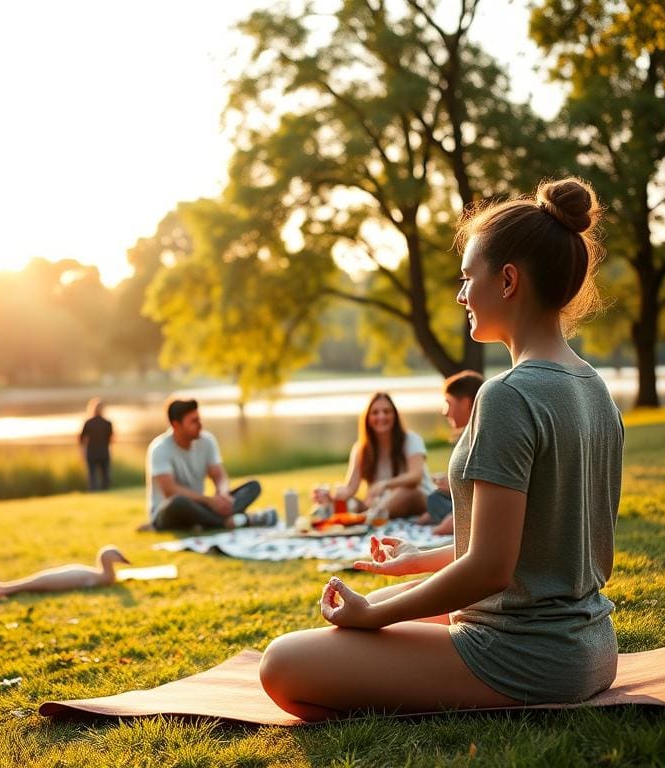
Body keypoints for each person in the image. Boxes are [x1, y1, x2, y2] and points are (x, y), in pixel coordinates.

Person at [259, 177, 623, 720]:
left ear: (507, 280)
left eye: (466, 278)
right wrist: (415, 564)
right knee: (353, 614)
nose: (460, 296)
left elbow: (489, 571)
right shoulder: (595, 389)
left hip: (524, 654)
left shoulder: (508, 395)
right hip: (592, 647)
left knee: (282, 663)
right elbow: (536, 547)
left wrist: (375, 622)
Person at [313, 392, 446, 524]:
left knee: (407, 491)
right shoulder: (361, 449)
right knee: (350, 502)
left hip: (419, 499)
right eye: (375, 412)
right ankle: (364, 517)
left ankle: (365, 518)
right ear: (368, 418)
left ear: (395, 415)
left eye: (386, 411)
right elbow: (349, 489)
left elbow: (415, 477)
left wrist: (385, 484)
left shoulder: (411, 439)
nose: (381, 416)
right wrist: (330, 495)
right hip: (380, 506)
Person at [146, 398, 276, 530]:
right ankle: (230, 522)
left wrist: (222, 495)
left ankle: (211, 521)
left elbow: (219, 475)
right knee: (178, 502)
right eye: (194, 421)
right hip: (169, 512)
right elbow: (170, 491)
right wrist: (209, 501)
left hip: (200, 507)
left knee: (253, 486)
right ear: (176, 425)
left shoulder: (207, 441)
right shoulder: (160, 449)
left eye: (199, 419)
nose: (200, 425)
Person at [427, 370, 485, 536]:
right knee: (434, 499)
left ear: (466, 403)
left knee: (436, 503)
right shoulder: (468, 437)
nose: (445, 411)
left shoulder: (482, 438)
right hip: (461, 503)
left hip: (477, 509)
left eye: (448, 403)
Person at [0, 546, 130, 598]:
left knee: (33, 583)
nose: (120, 558)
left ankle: (1, 588)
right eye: (118, 555)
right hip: (67, 577)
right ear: (106, 558)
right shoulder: (103, 578)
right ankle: (1, 589)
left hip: (69, 577)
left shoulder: (104, 578)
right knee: (33, 583)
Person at [80, 398, 113, 491]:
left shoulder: (89, 423)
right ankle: (104, 491)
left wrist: (82, 452)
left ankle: (95, 491)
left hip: (93, 452)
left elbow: (81, 440)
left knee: (93, 476)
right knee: (104, 476)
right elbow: (111, 440)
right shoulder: (107, 423)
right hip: (102, 452)